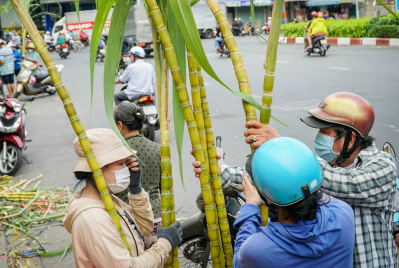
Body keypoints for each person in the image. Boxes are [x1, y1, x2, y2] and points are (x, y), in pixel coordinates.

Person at [193, 92, 398, 268]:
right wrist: (218, 171)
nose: (319, 137)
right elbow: (279, 180)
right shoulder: (326, 172)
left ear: (351, 138)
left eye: (324, 132)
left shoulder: (383, 165)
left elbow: (346, 183)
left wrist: (283, 148)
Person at [63, 128, 182, 268]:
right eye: (121, 164)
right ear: (98, 170)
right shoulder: (93, 219)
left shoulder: (109, 200)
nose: (126, 168)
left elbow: (141, 230)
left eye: (126, 163)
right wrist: (164, 243)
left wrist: (135, 189)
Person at [233, 137, 354, 268]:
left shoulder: (257, 250)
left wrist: (250, 207)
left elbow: (238, 261)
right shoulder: (344, 214)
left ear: (266, 198)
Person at [114, 102, 162, 248]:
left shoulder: (115, 153)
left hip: (126, 223)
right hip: (156, 220)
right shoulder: (157, 149)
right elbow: (164, 187)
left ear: (120, 125)